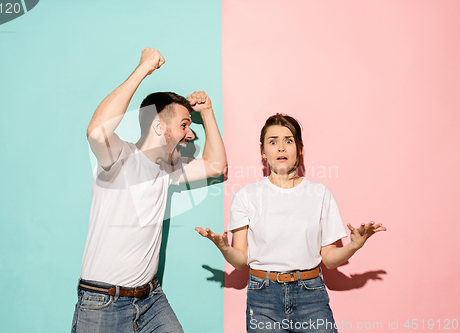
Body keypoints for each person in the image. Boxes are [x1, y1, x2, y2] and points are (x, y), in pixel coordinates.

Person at [72, 48, 226, 333]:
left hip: (150, 299)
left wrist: (207, 111)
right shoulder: (119, 158)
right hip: (103, 300)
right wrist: (144, 68)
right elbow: (96, 131)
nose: (190, 135)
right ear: (158, 126)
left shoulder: (169, 170)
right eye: (184, 125)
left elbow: (216, 165)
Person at [196, 113, 386, 333]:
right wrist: (224, 248)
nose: (281, 148)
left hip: (311, 295)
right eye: (273, 141)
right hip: (263, 297)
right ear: (263, 152)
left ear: (300, 148)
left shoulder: (320, 194)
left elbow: (330, 260)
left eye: (288, 141)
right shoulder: (245, 196)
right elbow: (240, 261)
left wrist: (354, 245)